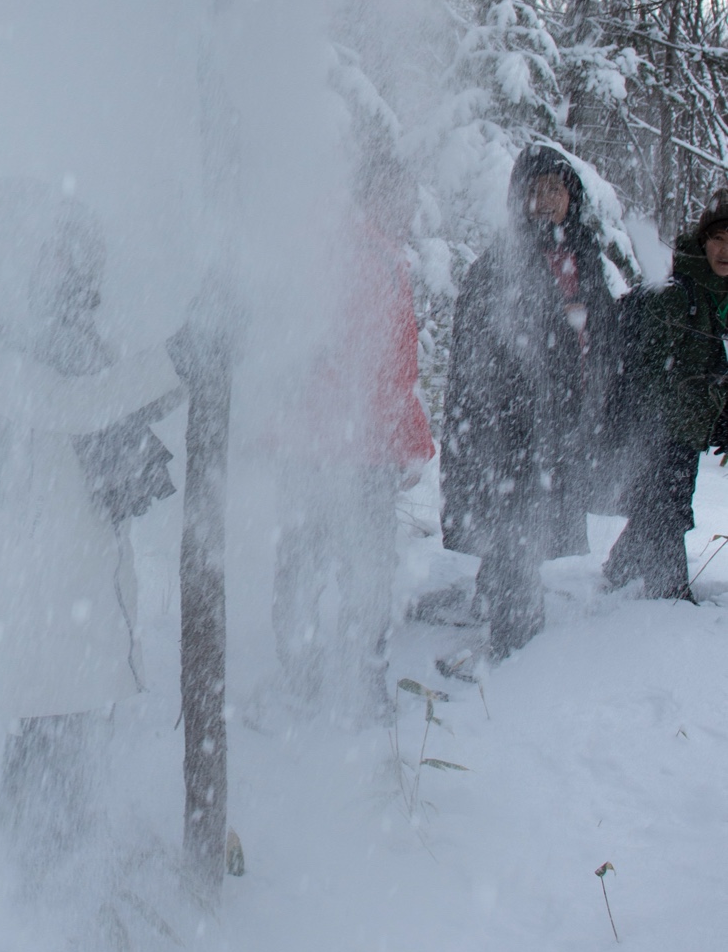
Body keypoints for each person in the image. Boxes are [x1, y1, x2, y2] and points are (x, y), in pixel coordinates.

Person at [0, 180, 185, 878]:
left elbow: (116, 403)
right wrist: (178, 357)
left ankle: (71, 908)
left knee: (72, 771)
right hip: (29, 609)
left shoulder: (70, 341)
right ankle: (24, 930)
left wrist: (191, 364)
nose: (70, 267)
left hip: (79, 603)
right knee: (35, 780)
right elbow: (73, 407)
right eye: (54, 251)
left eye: (77, 253)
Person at [263, 157, 435, 726]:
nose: (408, 208)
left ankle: (304, 680)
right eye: (398, 196)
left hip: (312, 446)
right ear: (374, 198)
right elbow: (382, 368)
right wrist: (408, 438)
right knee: (362, 572)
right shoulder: (370, 259)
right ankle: (356, 687)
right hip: (352, 448)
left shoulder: (340, 250)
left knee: (305, 564)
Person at [440, 144, 617, 661]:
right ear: (519, 198)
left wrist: (595, 401)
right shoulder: (499, 265)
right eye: (535, 190)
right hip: (510, 427)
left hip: (564, 421)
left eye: (555, 190)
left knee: (529, 524)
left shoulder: (585, 260)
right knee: (516, 520)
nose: (545, 201)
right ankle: (516, 645)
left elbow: (602, 338)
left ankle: (498, 594)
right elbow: (474, 361)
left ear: (572, 198)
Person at [602, 189, 728, 600]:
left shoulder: (720, 299)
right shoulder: (678, 294)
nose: (726, 250)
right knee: (669, 508)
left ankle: (618, 571)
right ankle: (668, 597)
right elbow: (650, 370)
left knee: (661, 505)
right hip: (664, 426)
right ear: (703, 241)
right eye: (719, 238)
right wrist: (667, 423)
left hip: (693, 423)